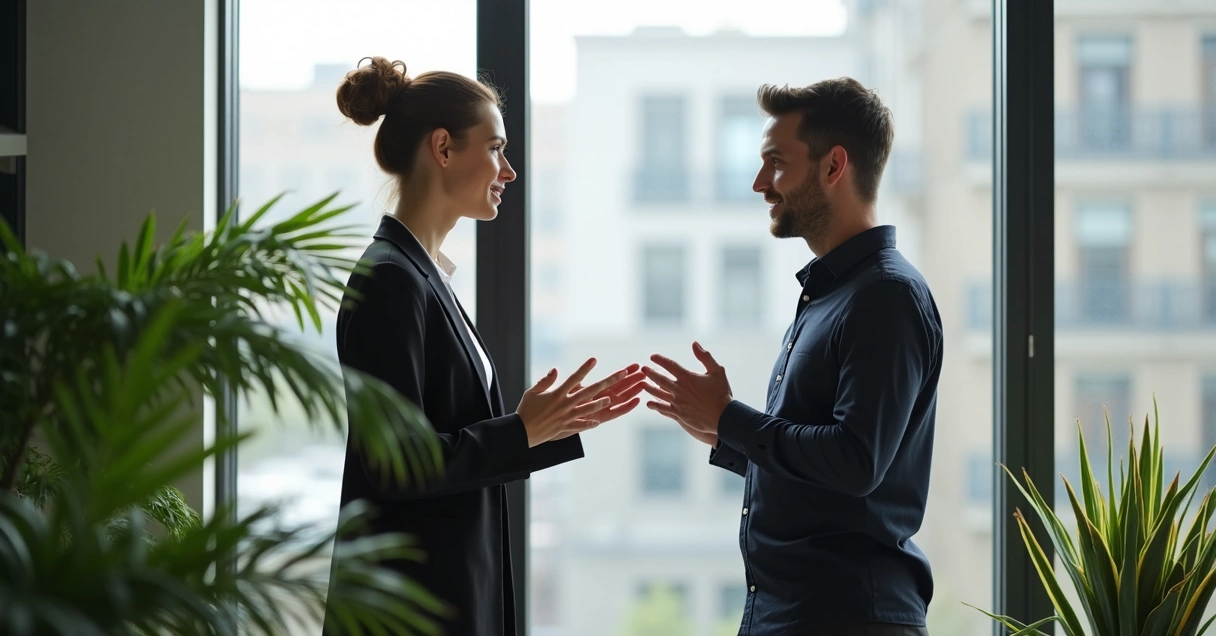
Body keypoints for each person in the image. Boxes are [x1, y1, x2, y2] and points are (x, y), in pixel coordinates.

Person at [322, 57, 645, 636]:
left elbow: (444, 441)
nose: (509, 171)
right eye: (495, 149)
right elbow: (397, 466)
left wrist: (547, 426)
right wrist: (522, 431)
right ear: (443, 148)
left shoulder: (421, 274)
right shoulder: (392, 280)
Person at [641, 77, 943, 636]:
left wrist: (733, 419)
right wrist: (724, 433)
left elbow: (856, 462)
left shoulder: (885, 296)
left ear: (834, 166)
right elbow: (831, 477)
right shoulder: (833, 295)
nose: (760, 183)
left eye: (776, 162)